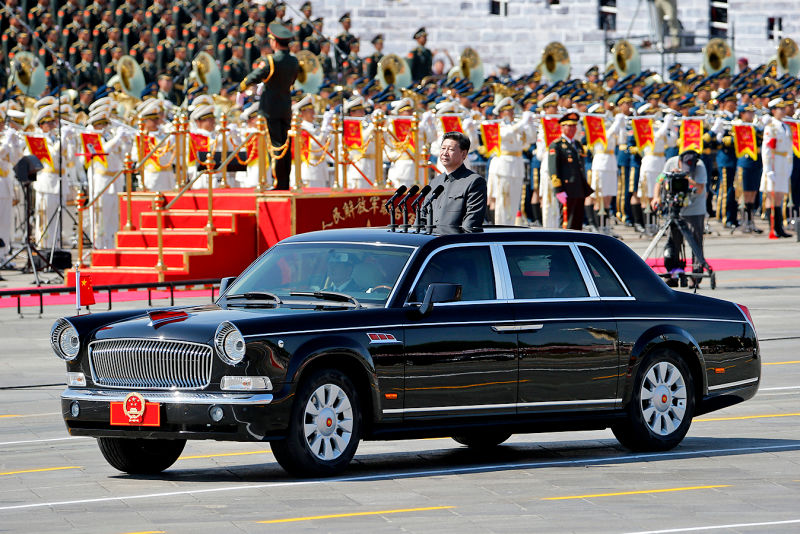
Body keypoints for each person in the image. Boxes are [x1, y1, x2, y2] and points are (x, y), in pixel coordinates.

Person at [240, 22, 299, 190]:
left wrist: (242, 87)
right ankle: (285, 181)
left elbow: (254, 77)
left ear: (274, 42)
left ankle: (277, 182)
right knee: (285, 144)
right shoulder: (294, 61)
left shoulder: (271, 61)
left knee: (274, 145)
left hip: (269, 109)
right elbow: (292, 81)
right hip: (285, 108)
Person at [651, 150, 707, 287]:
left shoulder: (700, 166)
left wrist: (686, 177)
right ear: (679, 161)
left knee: (695, 241)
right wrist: (656, 197)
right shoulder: (671, 162)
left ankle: (696, 276)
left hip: (695, 209)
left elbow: (700, 189)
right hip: (675, 207)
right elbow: (660, 180)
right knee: (673, 242)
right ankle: (674, 274)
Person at [425, 131, 487, 229]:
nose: (445, 153)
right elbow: (422, 216)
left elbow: (471, 223)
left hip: (453, 243)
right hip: (432, 242)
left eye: (450, 149)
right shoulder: (434, 183)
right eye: (443, 148)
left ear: (464, 154)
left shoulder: (474, 182)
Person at [548, 111, 593, 230]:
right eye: (570, 125)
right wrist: (558, 190)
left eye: (574, 125)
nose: (573, 128)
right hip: (566, 189)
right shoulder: (556, 145)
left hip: (578, 188)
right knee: (567, 223)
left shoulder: (577, 144)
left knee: (577, 222)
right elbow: (553, 169)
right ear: (562, 127)